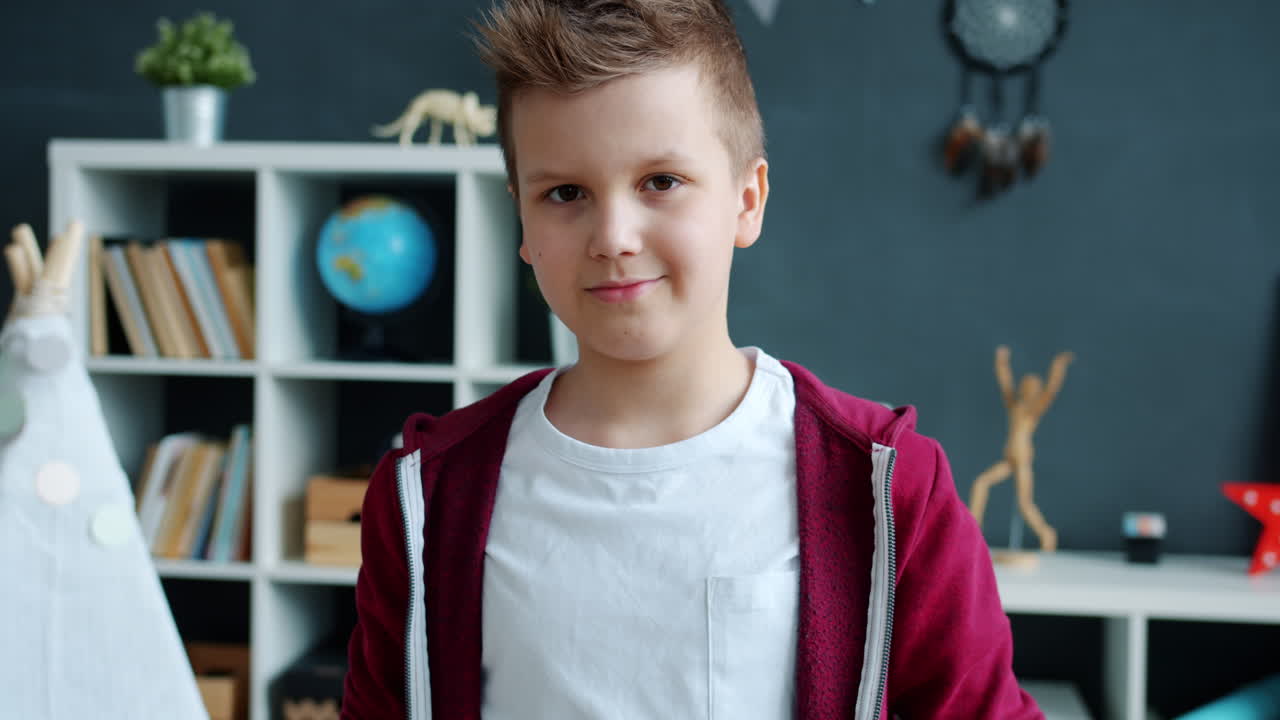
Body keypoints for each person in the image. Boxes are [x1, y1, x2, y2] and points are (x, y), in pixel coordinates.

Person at [342, 1, 1043, 718]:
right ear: (522, 217)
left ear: (747, 199)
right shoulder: (426, 497)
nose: (614, 237)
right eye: (565, 193)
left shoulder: (888, 488)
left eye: (661, 181)